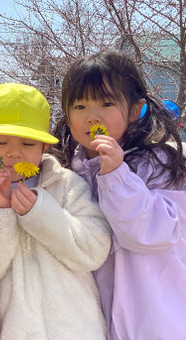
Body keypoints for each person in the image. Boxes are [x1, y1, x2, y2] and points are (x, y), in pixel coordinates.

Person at [53, 49, 186, 340]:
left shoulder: (158, 163)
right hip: (89, 322)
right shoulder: (63, 171)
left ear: (135, 109)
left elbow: (151, 234)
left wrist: (116, 176)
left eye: (106, 103)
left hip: (154, 321)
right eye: (79, 106)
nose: (92, 117)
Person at [0, 83, 111, 340]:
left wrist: (41, 213)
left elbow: (95, 250)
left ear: (44, 147)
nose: (13, 152)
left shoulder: (66, 185)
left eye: (28, 143)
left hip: (77, 330)